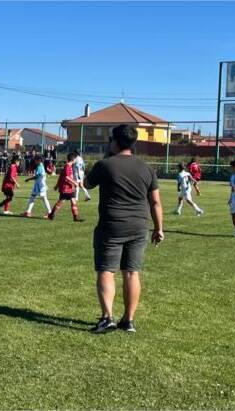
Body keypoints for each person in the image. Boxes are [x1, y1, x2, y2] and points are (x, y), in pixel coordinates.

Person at [84, 124, 164, 334]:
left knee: (106, 269)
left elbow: (87, 183)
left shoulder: (105, 164)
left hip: (112, 225)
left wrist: (105, 159)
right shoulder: (147, 168)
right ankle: (128, 320)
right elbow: (155, 202)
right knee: (131, 272)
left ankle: (107, 317)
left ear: (115, 141)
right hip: (140, 225)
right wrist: (159, 228)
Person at [47, 153, 83, 222]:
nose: (76, 160)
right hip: (65, 188)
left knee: (73, 202)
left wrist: (57, 185)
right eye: (75, 159)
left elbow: (61, 176)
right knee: (61, 201)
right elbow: (66, 177)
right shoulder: (67, 166)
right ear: (73, 159)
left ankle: (76, 217)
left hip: (70, 188)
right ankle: (51, 214)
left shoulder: (70, 166)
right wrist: (74, 182)